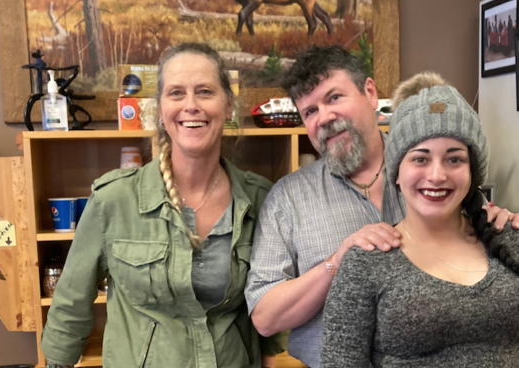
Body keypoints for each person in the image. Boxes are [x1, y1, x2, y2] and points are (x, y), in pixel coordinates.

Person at [244, 45, 519, 368]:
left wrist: (500, 223)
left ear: (371, 93)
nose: (325, 117)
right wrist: (335, 263)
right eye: (310, 111)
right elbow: (265, 317)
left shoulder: (426, 166)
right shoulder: (288, 199)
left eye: (334, 98)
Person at [41, 43, 286, 368]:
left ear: (228, 105)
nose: (191, 105)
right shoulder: (112, 200)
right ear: (159, 109)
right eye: (176, 93)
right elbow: (69, 308)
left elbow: (270, 317)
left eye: (204, 92)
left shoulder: (260, 199)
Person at [321, 72, 519, 367]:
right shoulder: (365, 264)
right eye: (420, 159)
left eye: (454, 159)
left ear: (472, 172)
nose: (437, 175)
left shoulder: (508, 238)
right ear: (396, 173)